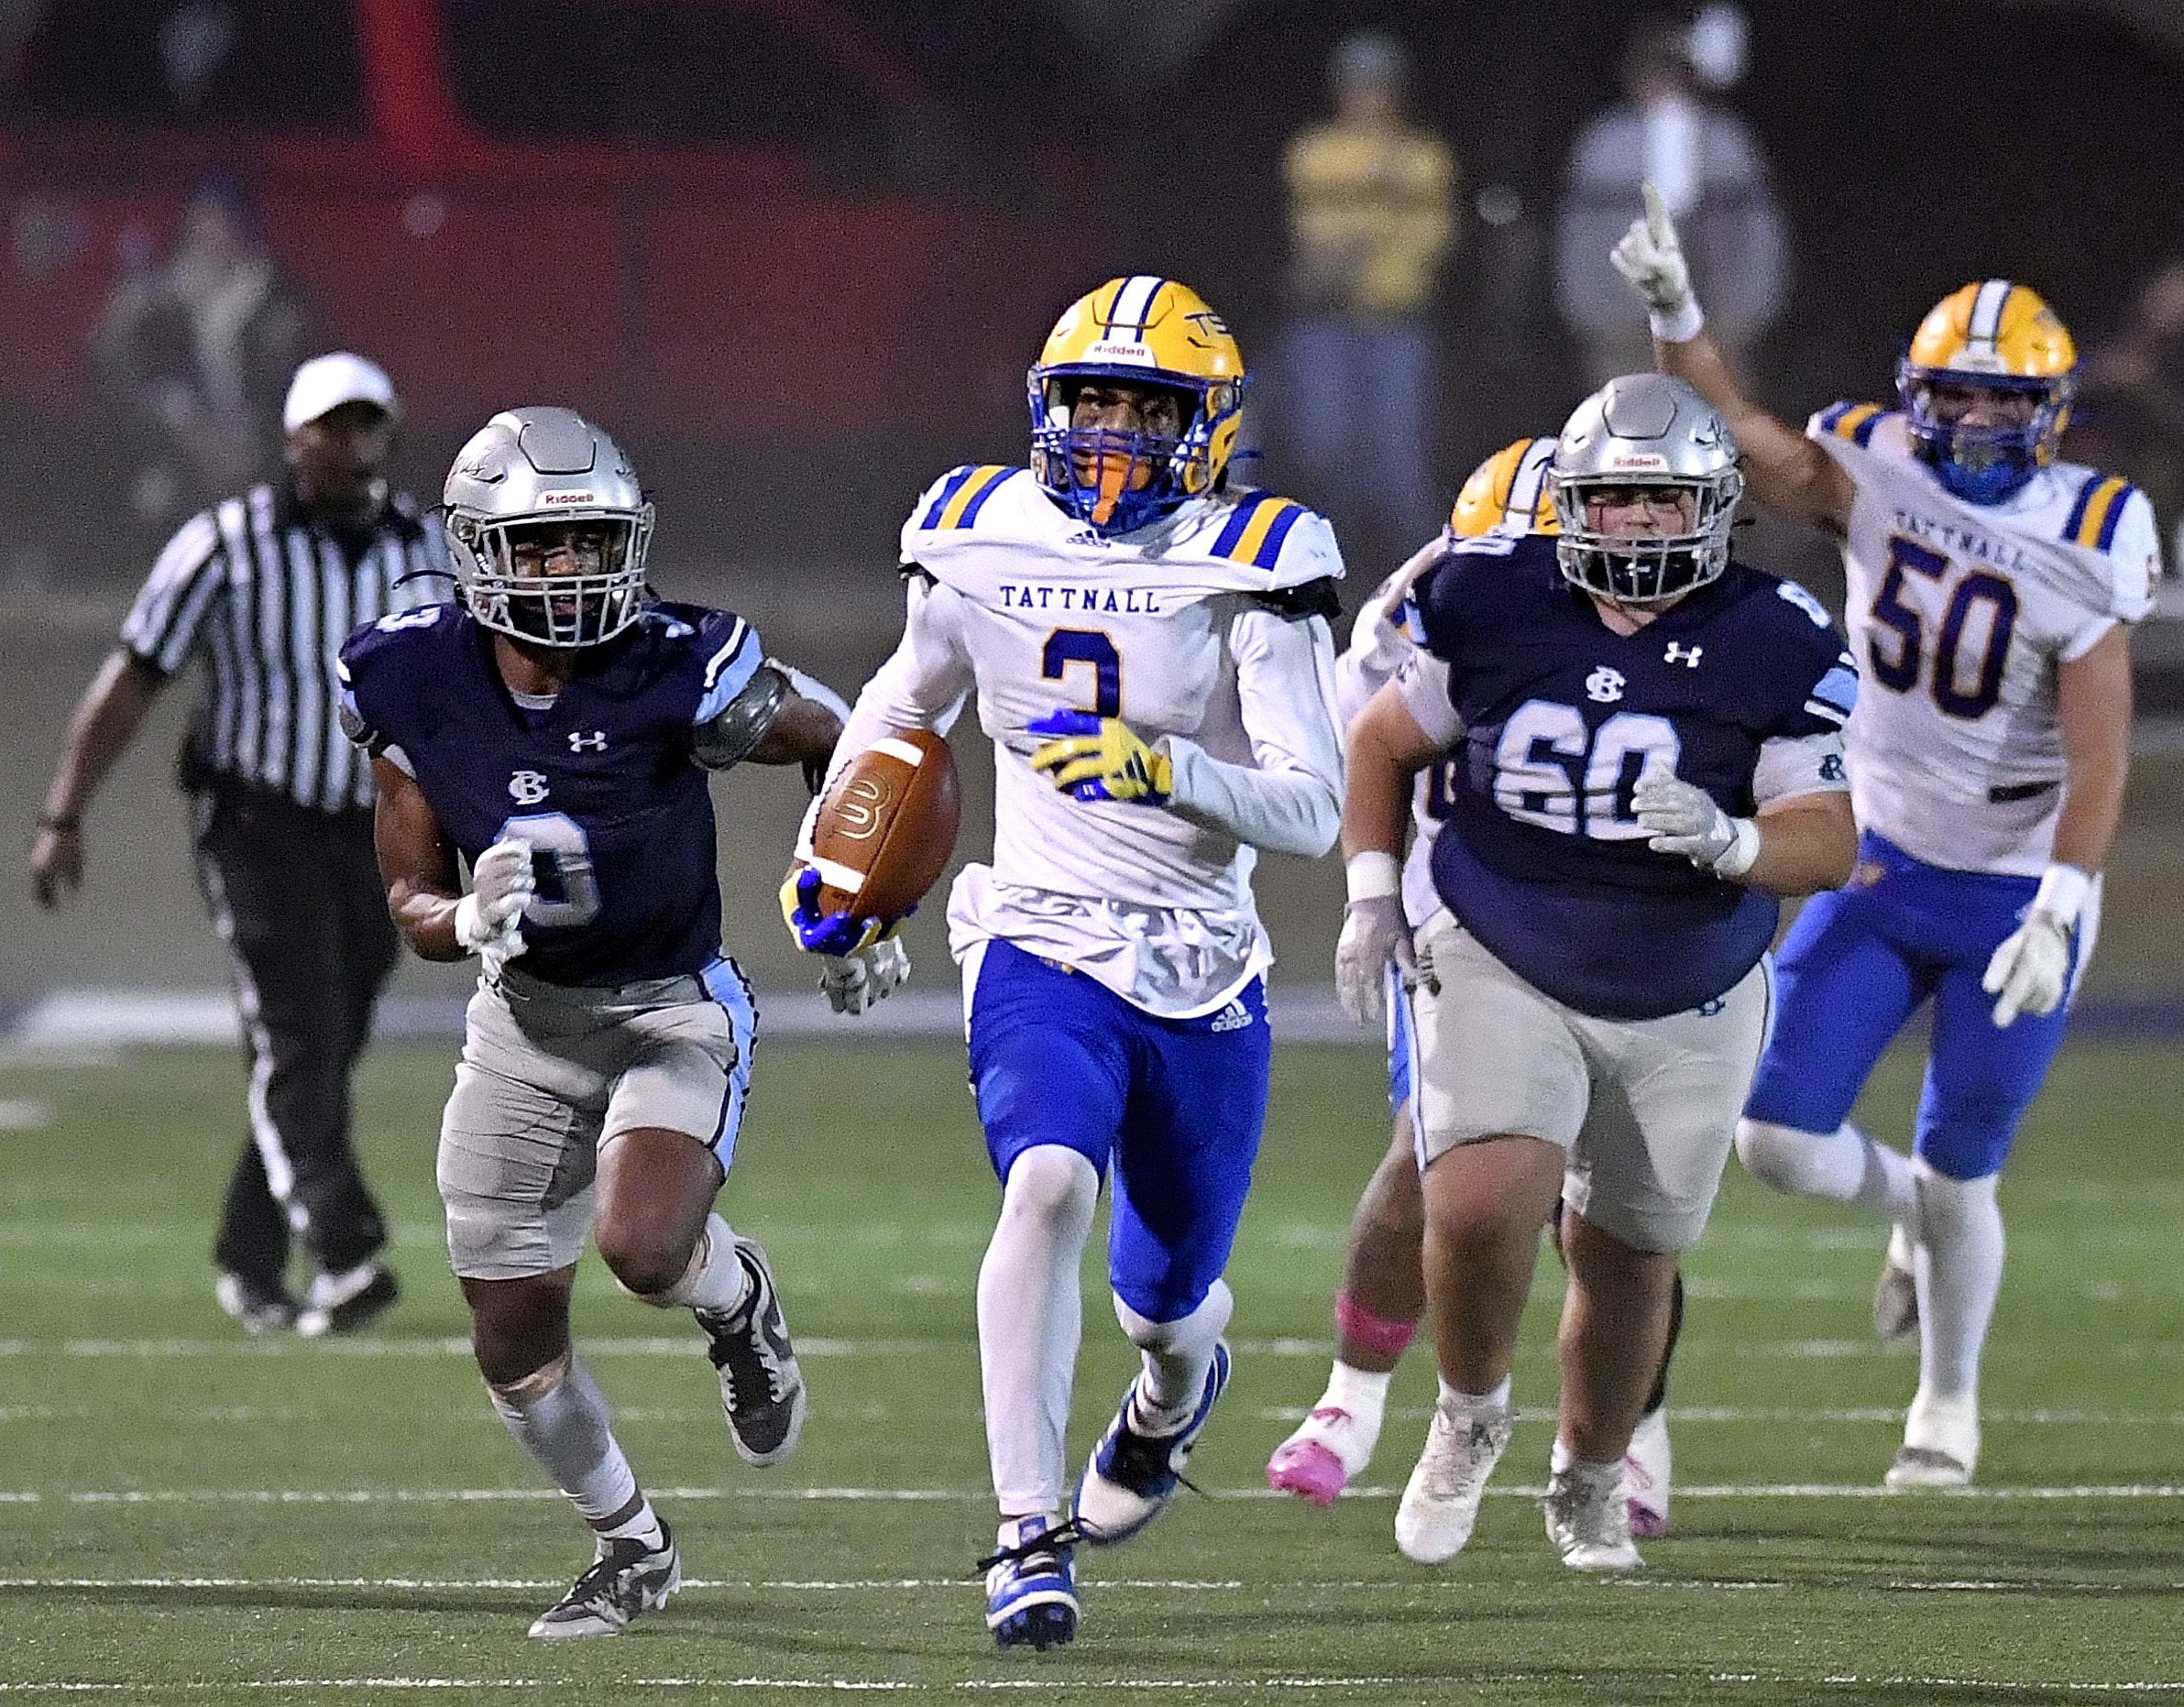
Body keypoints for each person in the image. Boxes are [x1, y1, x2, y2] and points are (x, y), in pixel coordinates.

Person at [781, 275, 1344, 1649]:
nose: (1107, 431)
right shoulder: (973, 533)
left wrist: (1168, 768)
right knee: (1043, 1183)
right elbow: (898, 711)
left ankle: (1167, 1398)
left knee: (1166, 1305)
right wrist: (838, 877)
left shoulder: (1252, 556)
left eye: (1142, 407)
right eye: (1087, 399)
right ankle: (1026, 1533)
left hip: (1201, 966)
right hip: (1037, 933)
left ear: (1202, 427)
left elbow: (1314, 809)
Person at [1612, 191, 2159, 1487]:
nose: (1971, 424)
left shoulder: (2089, 534)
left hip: (2009, 889)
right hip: (1879, 857)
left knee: (1965, 1162)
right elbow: (1735, 435)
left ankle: (1945, 1403)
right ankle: (1906, 1211)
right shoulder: (1876, 464)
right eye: (1952, 398)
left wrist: (2064, 903)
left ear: (2049, 413)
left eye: (1996, 402)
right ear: (1918, 398)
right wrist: (1674, 318)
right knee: (1775, 1135)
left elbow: (2097, 748)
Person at [337, 405, 843, 1637]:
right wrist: (463, 919)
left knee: (642, 1244)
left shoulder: (678, 659)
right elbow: (408, 896)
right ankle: (631, 1545)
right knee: (511, 1335)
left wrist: (853, 909)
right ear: (476, 550)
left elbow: (845, 744)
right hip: (524, 1021)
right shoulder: (408, 671)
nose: (571, 570)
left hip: (671, 1003)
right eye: (544, 543)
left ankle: (738, 1302)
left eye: (590, 540)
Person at [1340, 372, 1857, 1572]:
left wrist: (1735, 841)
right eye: (1614, 497)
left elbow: (1826, 836)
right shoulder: (1484, 597)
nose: (1634, 522)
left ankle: (1586, 1469)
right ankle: (1467, 1415)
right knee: (1475, 1202)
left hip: (1689, 969)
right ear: (1571, 501)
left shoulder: (1775, 632)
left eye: (1661, 499)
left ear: (1713, 508)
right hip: (1502, 938)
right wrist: (1371, 890)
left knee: (1627, 1252)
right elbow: (1381, 738)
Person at [1267, 436, 1685, 1539]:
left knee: (1615, 1206)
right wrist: (1375, 897)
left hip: (1624, 925)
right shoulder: (1423, 611)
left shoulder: (1681, 630)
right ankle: (1353, 1398)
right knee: (1435, 1161)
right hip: (1465, 912)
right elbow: (1369, 751)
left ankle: (1630, 1432)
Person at [32, 351, 433, 1337]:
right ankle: (343, 1250)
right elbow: (133, 678)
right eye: (329, 427)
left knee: (322, 1046)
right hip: (256, 825)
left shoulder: (430, 550)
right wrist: (63, 814)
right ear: (293, 438)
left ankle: (249, 1261)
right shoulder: (224, 545)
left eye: (363, 425)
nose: (348, 445)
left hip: (376, 829)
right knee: (299, 1030)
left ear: (387, 433)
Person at [1276, 28, 1458, 570]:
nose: (1368, 97)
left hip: (1395, 321)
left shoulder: (1426, 155)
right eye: (1358, 85)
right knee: (1325, 450)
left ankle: (1421, 583)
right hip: (1325, 323)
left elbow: (1433, 238)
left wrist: (1365, 245)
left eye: (1378, 86)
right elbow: (1314, 230)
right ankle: (1331, 571)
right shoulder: (1315, 150)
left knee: (1399, 463)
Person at [1554, 13, 1784, 390]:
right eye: (1654, 69)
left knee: (1720, 438)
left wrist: (1742, 320)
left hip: (1715, 338)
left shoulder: (1727, 143)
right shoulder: (1606, 144)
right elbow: (1580, 246)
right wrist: (1600, 320)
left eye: (1675, 70)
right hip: (1621, 340)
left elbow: (1761, 242)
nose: (1664, 82)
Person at [92, 175, 313, 530]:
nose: (207, 237)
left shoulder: (275, 302)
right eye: (199, 225)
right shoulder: (159, 302)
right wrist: (190, 423)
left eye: (218, 225)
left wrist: (244, 441)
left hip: (258, 448)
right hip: (180, 446)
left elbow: (285, 385)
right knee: (151, 494)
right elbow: (127, 371)